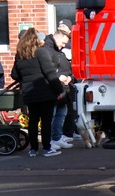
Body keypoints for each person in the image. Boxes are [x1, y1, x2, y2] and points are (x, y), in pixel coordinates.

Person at [10, 27, 67, 157]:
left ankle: (33, 149)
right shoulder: (41, 52)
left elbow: (14, 75)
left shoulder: (20, 55)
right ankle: (47, 148)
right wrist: (59, 90)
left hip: (29, 93)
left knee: (33, 121)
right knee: (46, 121)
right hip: (45, 93)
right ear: (36, 39)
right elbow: (50, 73)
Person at [44, 31, 73, 151]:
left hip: (62, 88)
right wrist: (59, 77)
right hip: (52, 89)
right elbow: (47, 70)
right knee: (53, 115)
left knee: (61, 114)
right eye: (63, 43)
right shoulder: (47, 50)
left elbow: (65, 68)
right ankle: (52, 140)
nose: (63, 46)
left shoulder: (57, 51)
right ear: (57, 38)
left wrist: (70, 77)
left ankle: (57, 137)